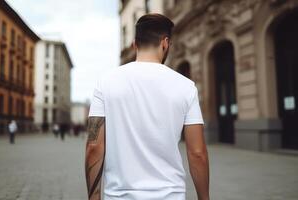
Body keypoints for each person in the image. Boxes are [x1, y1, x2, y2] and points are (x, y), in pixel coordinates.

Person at [85, 14, 209, 200]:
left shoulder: (106, 82)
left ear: (135, 44)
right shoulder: (186, 86)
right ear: (165, 43)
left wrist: (94, 198)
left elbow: (94, 146)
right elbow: (197, 153)